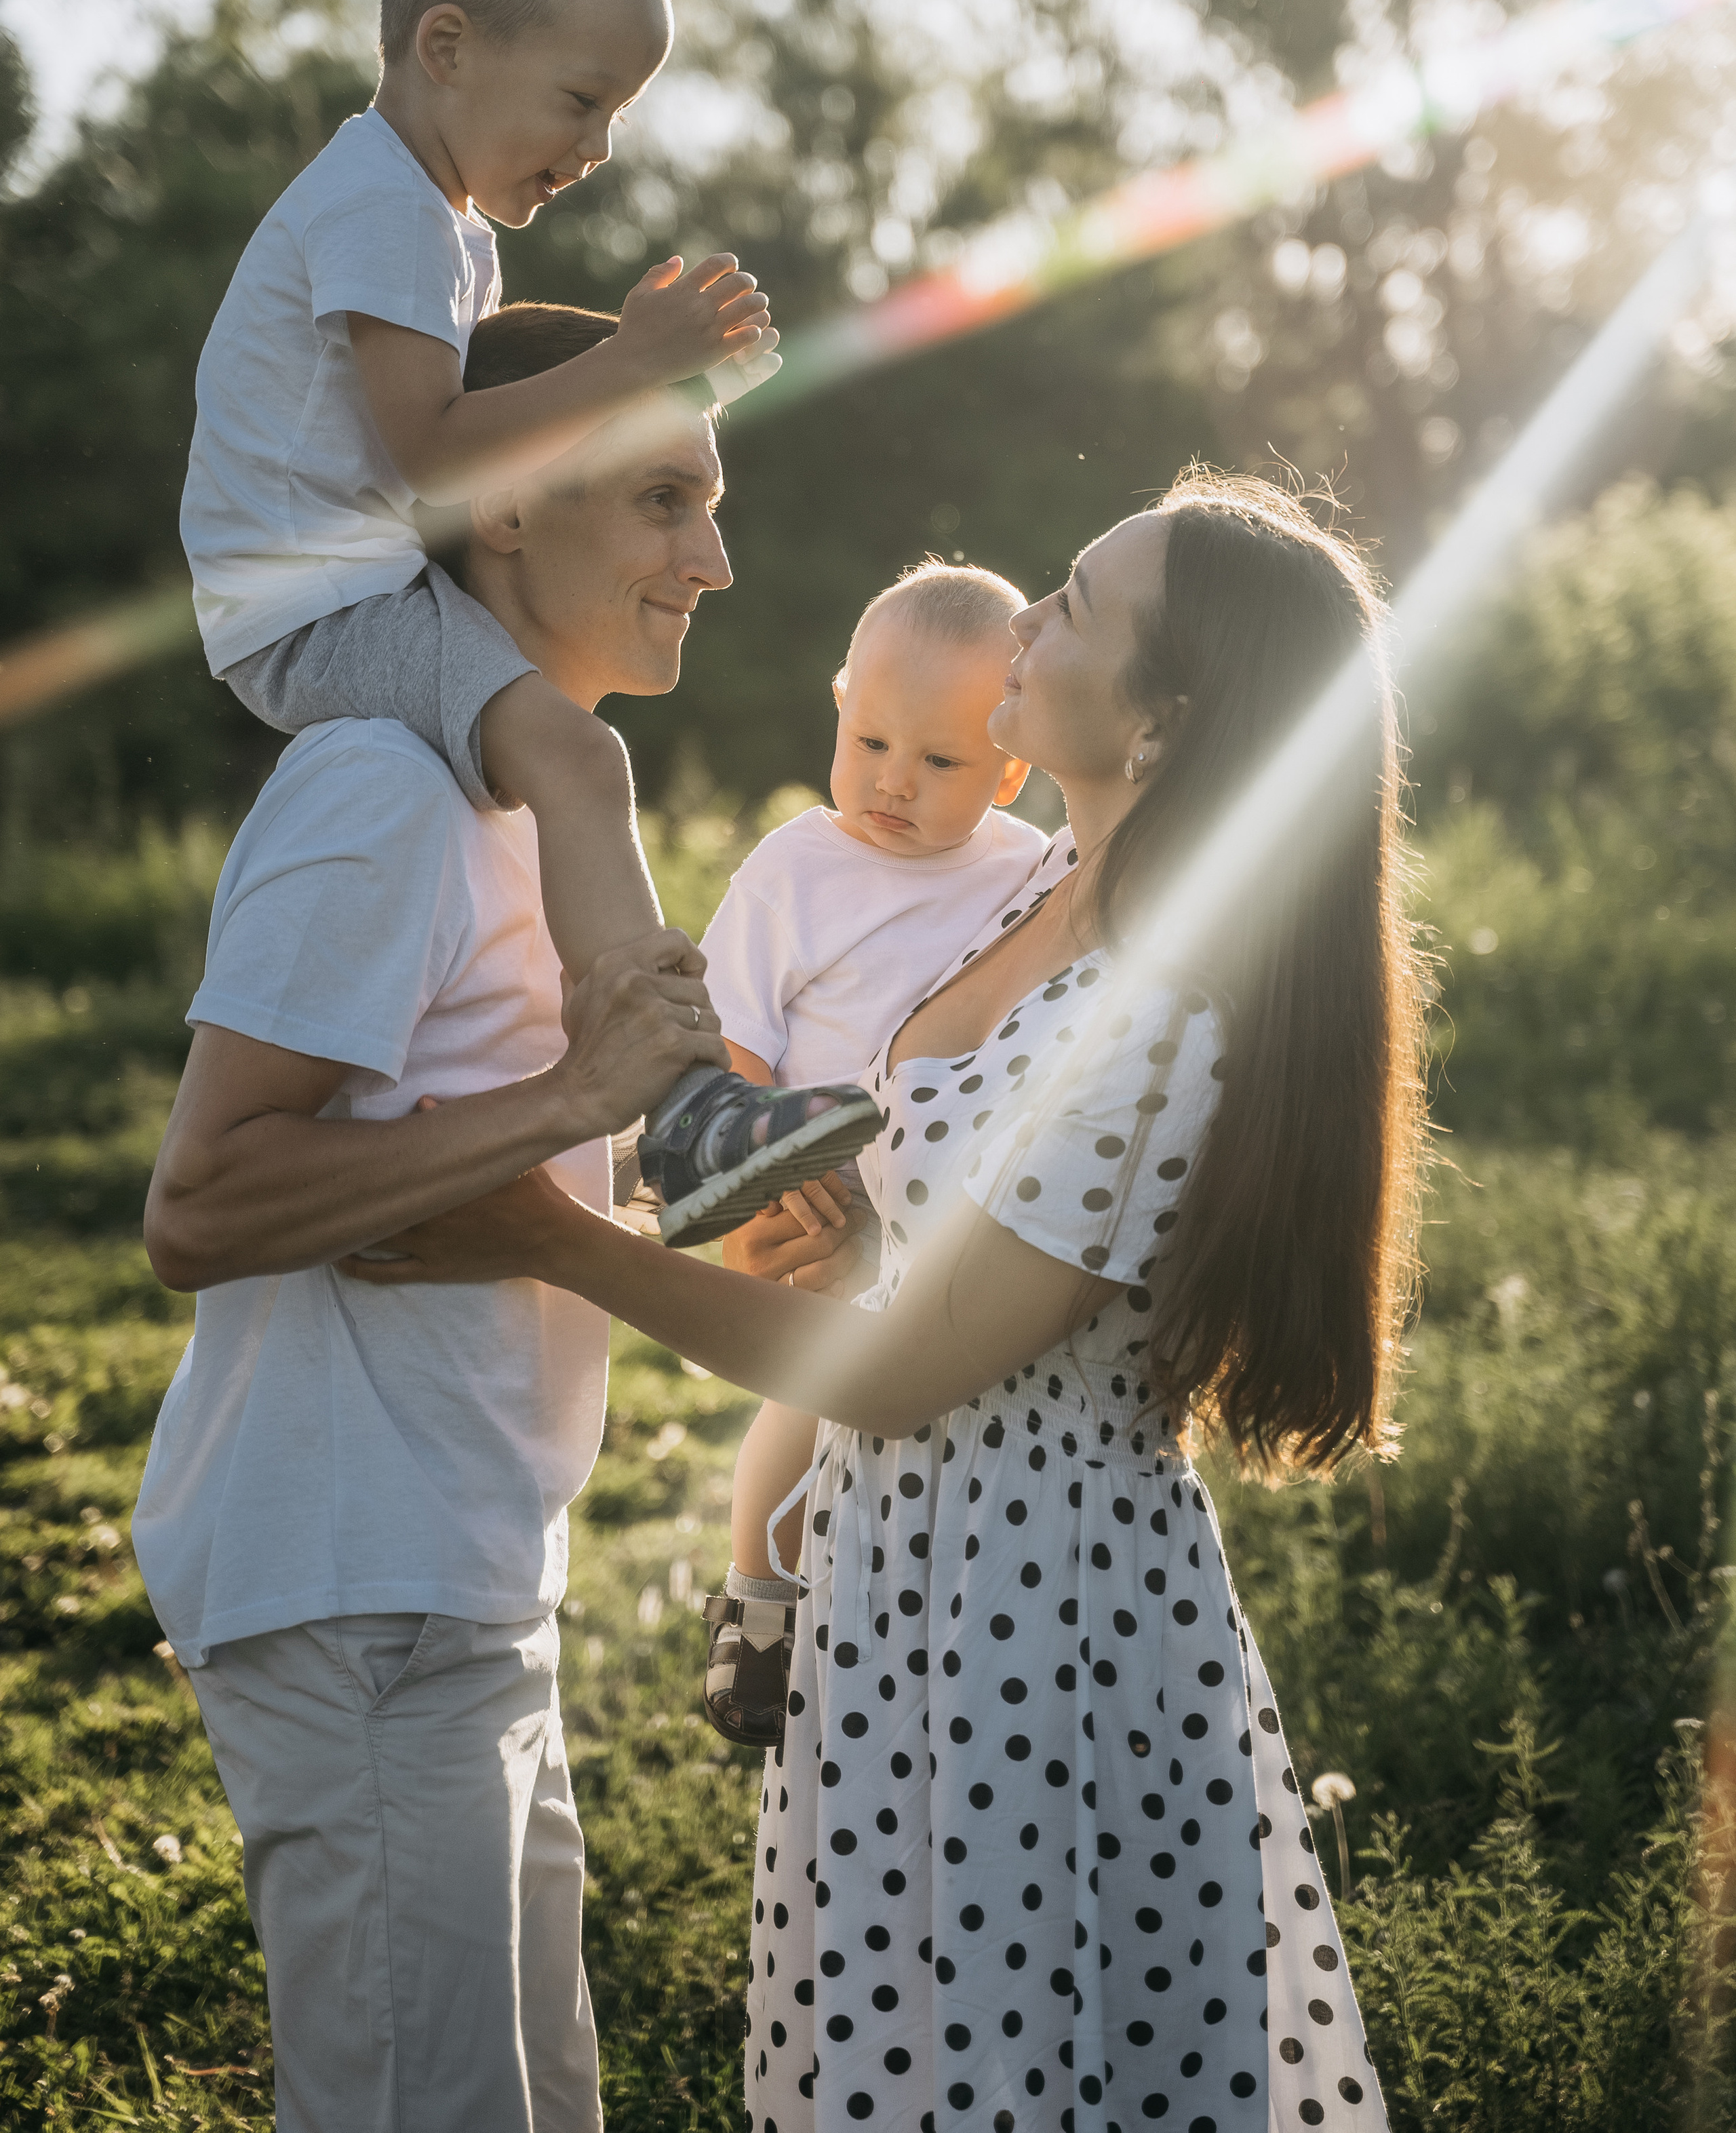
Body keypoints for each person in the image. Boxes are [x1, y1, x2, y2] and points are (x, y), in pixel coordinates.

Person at [346, 467, 1423, 2131]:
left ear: (1162, 721)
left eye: (1075, 599)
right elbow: (922, 1273)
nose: (1031, 614)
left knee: (996, 2066)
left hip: (1032, 1610)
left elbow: (908, 1375)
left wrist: (558, 1242)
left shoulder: (1161, 1009)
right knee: (900, 2048)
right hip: (900, 1569)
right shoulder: (1029, 888)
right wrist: (842, 1234)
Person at [136, 335, 757, 2133]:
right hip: (359, 1580)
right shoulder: (381, 792)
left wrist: (691, 1190)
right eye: (664, 497)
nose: (711, 561)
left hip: (467, 1572)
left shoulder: (521, 818)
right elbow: (201, 1204)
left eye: (715, 509)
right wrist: (570, 1109)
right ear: (498, 500)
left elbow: (470, 1168)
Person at [178, 0, 880, 1244]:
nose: (597, 144)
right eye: (580, 98)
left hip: (342, 590)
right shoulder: (383, 203)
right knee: (576, 754)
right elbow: (442, 452)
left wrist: (652, 381)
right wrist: (629, 360)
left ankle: (666, 1106)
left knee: (558, 758)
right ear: (446, 47)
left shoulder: (439, 228)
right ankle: (682, 1108)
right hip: (318, 608)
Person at [696, 558, 1048, 1743]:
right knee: (810, 1398)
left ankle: (909, 1625)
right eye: (870, 740)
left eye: (940, 762)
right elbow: (733, 1042)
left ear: (1012, 769)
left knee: (923, 1422)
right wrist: (762, 1180)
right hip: (818, 1196)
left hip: (954, 1208)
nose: (893, 783)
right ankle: (759, 1598)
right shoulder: (797, 867)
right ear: (838, 703)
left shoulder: (1032, 873)